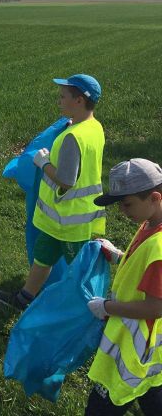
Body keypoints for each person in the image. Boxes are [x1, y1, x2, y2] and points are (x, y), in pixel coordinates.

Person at [0, 74, 105, 310]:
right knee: (42, 258)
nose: (59, 101)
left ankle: (92, 312)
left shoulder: (73, 137)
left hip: (72, 220)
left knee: (80, 270)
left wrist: (43, 162)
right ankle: (24, 298)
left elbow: (66, 180)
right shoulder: (93, 127)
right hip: (59, 217)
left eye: (63, 96)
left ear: (78, 101)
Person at [84, 159, 162, 415]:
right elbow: (145, 268)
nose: (122, 211)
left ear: (154, 197)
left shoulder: (160, 247)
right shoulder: (151, 223)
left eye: (127, 204)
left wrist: (107, 307)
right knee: (152, 391)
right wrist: (119, 255)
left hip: (131, 351)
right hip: (149, 354)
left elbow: (155, 306)